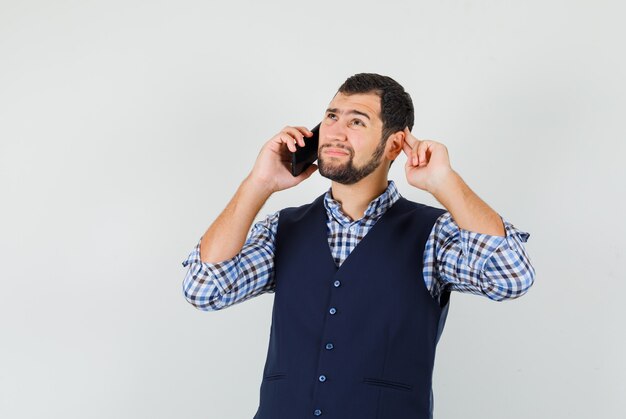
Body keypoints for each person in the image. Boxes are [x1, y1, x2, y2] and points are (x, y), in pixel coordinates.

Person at [182, 73, 535, 419]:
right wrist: (258, 184)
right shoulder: (283, 229)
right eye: (332, 116)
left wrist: (445, 181)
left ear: (394, 144)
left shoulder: (434, 234)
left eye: (357, 121)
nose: (334, 132)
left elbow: (510, 278)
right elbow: (205, 289)